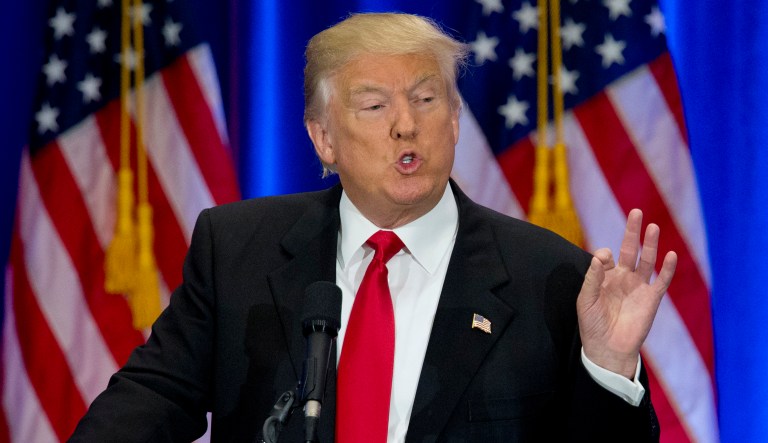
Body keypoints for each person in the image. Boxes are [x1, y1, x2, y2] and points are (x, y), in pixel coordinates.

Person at [70, 12, 676, 442]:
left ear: (455, 120)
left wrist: (609, 367)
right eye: (375, 106)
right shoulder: (236, 251)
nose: (406, 125)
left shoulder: (549, 277)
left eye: (426, 100)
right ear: (324, 139)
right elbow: (150, 404)